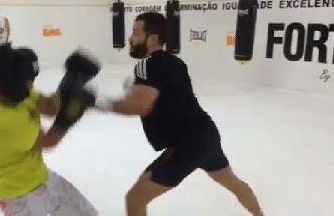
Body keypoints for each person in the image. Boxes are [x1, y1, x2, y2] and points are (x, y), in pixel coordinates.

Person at [95, 12, 264, 216]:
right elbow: (169, 96)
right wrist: (137, 87)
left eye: (136, 33)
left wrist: (98, 102)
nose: (131, 38)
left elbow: (141, 105)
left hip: (187, 144)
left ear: (153, 38)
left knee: (135, 199)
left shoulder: (145, 65)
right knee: (233, 183)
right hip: (207, 134)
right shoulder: (176, 63)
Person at [0, 43, 98, 216]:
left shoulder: (7, 86)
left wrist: (70, 80)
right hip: (19, 196)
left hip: (42, 177)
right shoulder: (6, 121)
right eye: (28, 84)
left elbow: (49, 107)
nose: (31, 87)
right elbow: (48, 142)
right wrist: (70, 115)